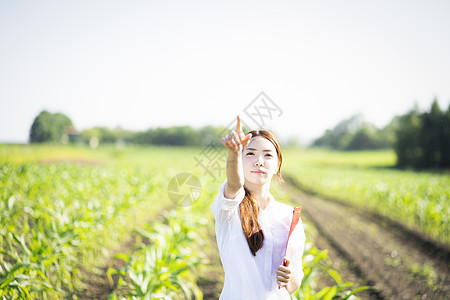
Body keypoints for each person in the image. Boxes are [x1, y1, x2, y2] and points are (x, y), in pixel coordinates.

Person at [212, 116, 306, 299]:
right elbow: (234, 185)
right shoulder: (229, 208)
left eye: (268, 155)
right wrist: (233, 153)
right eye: (250, 153)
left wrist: (291, 276)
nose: (259, 161)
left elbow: (295, 283)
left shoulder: (289, 216)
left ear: (277, 164)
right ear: (240, 161)